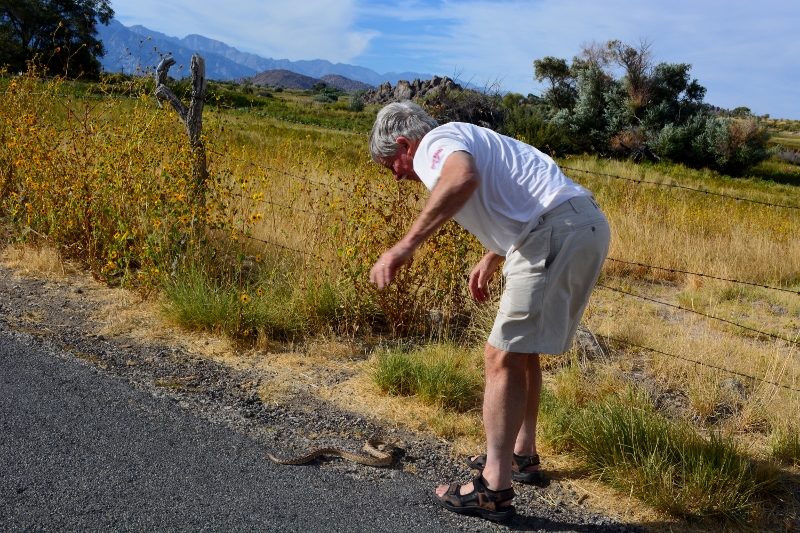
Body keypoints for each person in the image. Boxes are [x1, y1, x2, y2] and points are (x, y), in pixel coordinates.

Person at [368, 101, 610, 522]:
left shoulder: (434, 145)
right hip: (575, 223)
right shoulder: (465, 134)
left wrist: (405, 245)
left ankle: (493, 489)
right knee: (521, 351)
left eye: (392, 163)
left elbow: (463, 178)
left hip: (553, 232)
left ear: (405, 144)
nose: (397, 175)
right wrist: (494, 255)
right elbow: (516, 195)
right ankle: (522, 455)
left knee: (499, 357)